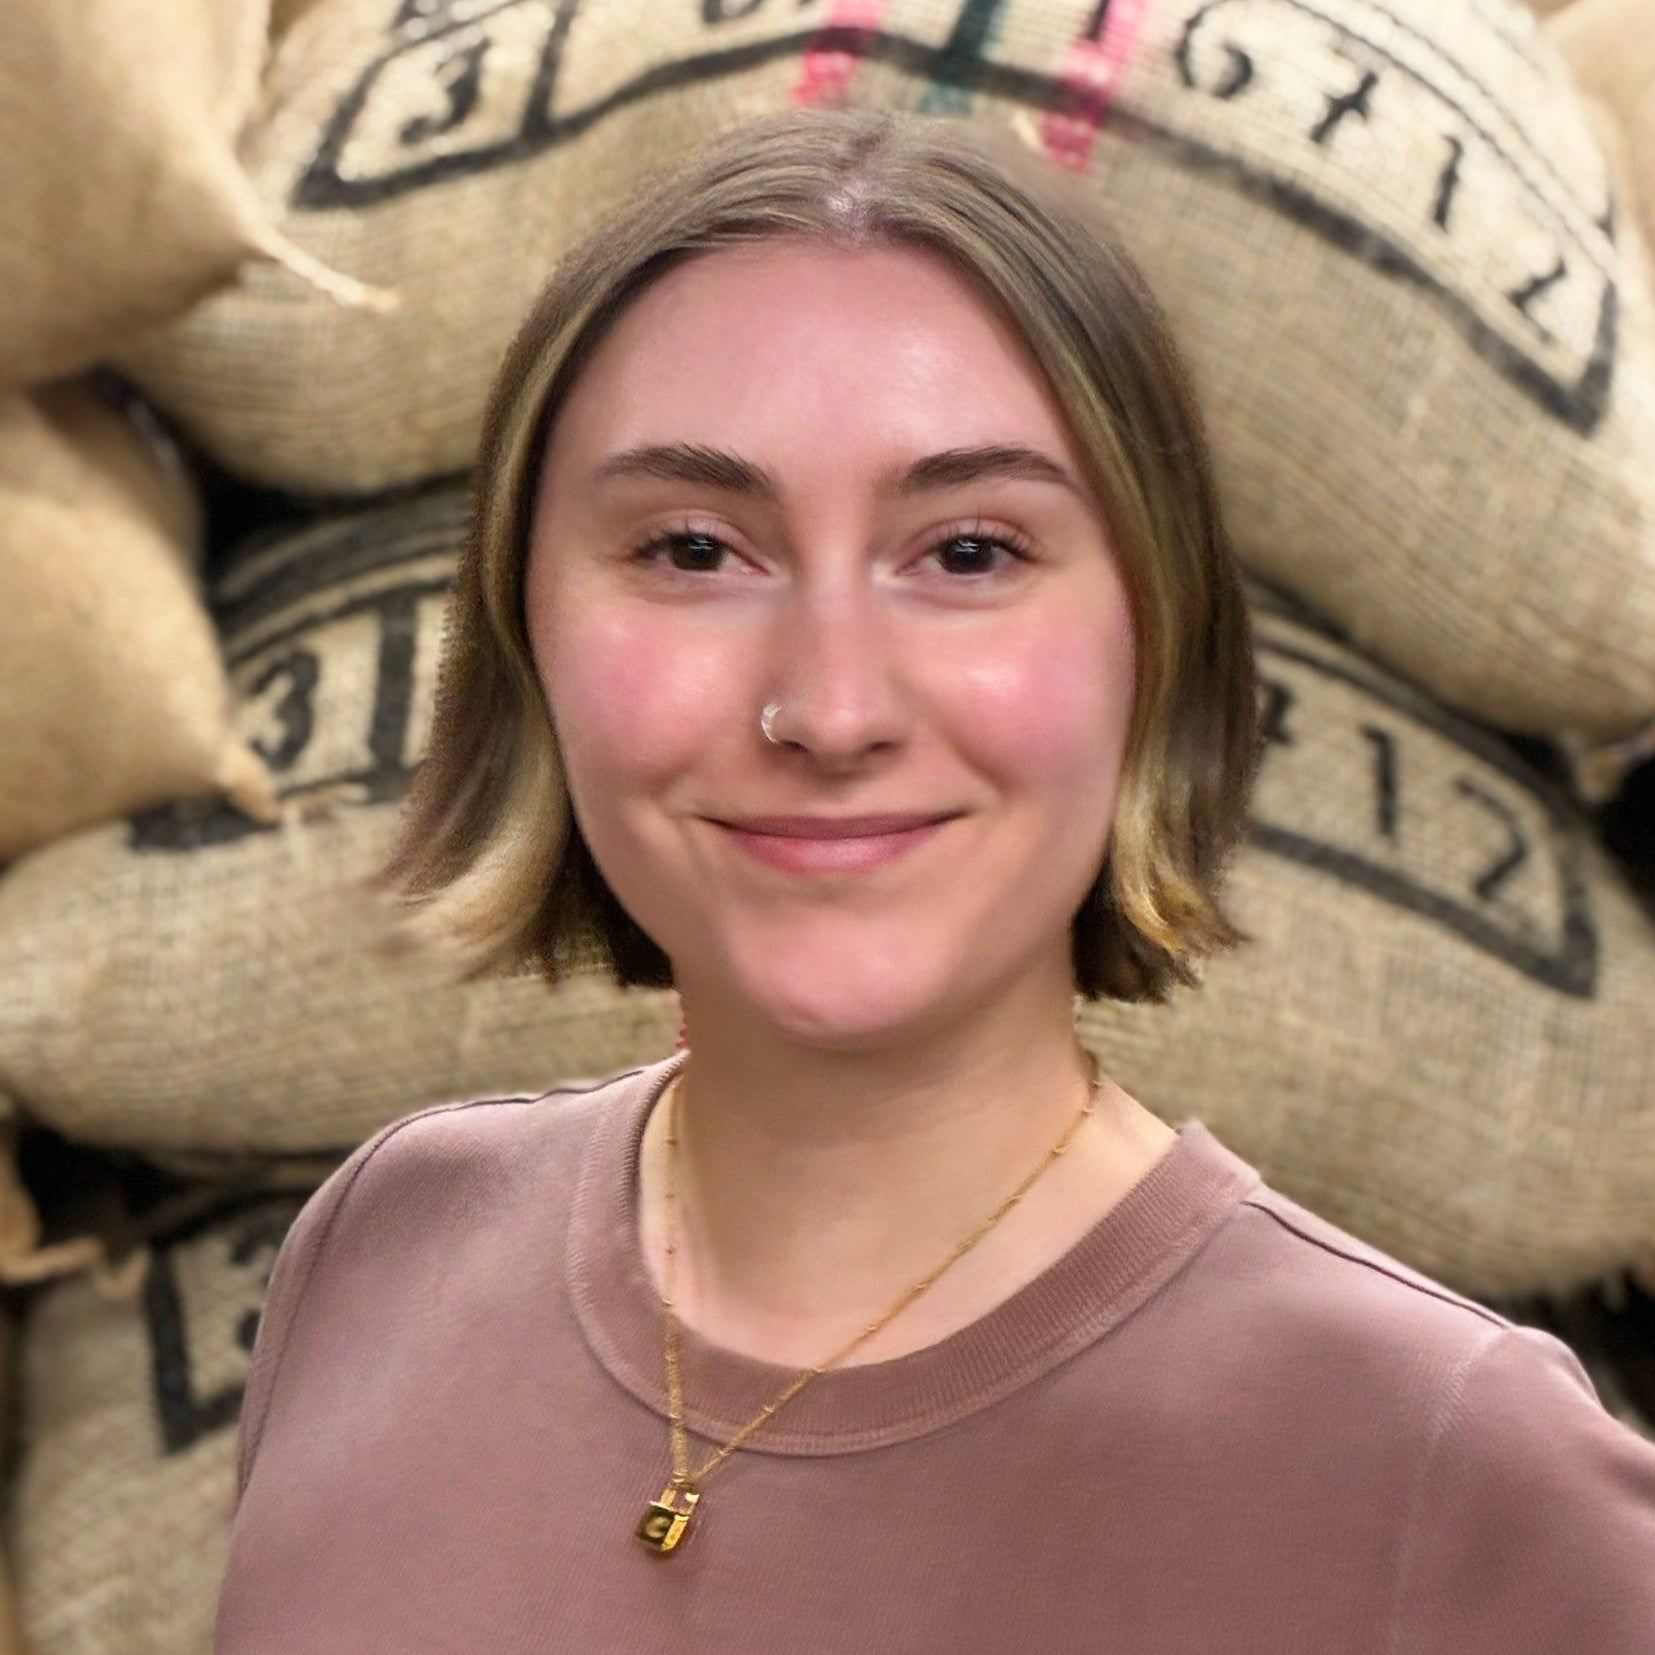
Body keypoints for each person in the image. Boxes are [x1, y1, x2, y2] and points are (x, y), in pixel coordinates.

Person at [214, 108, 1655, 1652]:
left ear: (1155, 640)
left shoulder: (1456, 1468)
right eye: (694, 550)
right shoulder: (386, 1245)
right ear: (522, 631)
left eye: (968, 554)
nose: (831, 709)